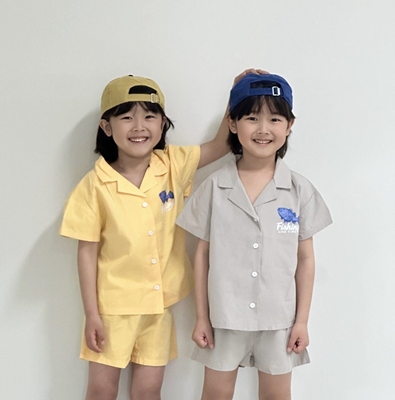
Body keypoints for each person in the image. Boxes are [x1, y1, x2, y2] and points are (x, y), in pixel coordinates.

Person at [59, 71, 262, 400]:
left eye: (150, 116)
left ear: (163, 124)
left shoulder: (172, 165)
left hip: (159, 307)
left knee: (149, 390)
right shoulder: (94, 186)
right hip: (113, 309)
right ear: (107, 127)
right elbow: (86, 252)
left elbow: (222, 144)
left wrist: (236, 92)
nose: (139, 126)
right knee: (101, 390)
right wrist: (92, 314)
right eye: (126, 117)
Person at [176, 73, 333, 400]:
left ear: (289, 126)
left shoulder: (299, 190)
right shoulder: (214, 187)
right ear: (233, 124)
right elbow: (201, 256)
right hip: (224, 317)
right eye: (251, 118)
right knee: (215, 394)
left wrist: (301, 321)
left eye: (274, 119)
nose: (263, 129)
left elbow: (306, 260)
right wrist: (202, 317)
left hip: (279, 320)